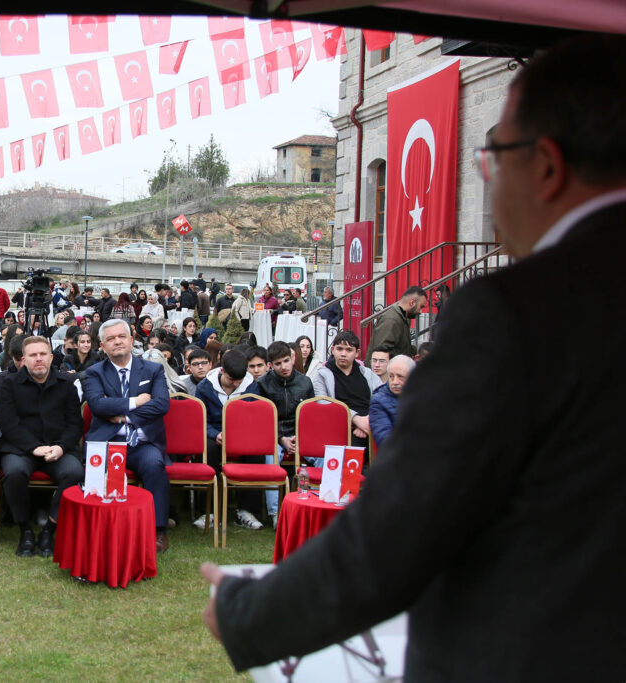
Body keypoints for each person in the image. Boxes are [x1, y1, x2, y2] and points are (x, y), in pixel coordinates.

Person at [203, 36, 626, 680]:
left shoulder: (514, 312)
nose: (492, 178)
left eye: (494, 157)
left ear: (545, 165)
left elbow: (404, 527)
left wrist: (247, 611)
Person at [83, 319, 171, 552]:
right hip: (107, 442)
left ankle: (158, 529)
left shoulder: (153, 370)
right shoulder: (94, 373)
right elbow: (97, 406)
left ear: (132, 340)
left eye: (121, 336)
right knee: (95, 472)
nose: (117, 342)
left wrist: (125, 417)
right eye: (110, 339)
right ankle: (99, 530)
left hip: (142, 443)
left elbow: (161, 404)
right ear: (102, 346)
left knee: (155, 465)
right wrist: (136, 401)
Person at [0, 336, 84, 557]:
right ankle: (25, 530)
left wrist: (62, 447)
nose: (38, 359)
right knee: (14, 472)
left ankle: (49, 530)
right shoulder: (8, 384)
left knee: (74, 472)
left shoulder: (66, 385)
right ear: (23, 359)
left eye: (43, 354)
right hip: (20, 448)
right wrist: (33, 448)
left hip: (58, 448)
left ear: (51, 357)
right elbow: (8, 424)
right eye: (33, 355)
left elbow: (75, 424)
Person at [194, 349, 262, 530]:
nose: (235, 384)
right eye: (232, 380)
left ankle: (247, 510)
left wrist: (240, 434)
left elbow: (255, 417)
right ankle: (209, 510)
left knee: (256, 452)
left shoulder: (251, 386)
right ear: (222, 371)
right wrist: (214, 434)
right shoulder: (205, 387)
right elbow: (200, 419)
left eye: (239, 381)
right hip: (214, 433)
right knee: (209, 450)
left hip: (242, 434)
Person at [256, 341, 314, 518]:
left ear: (292, 359)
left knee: (323, 454)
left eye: (286, 361)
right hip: (274, 435)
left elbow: (310, 414)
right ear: (270, 365)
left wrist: (301, 436)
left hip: (301, 433)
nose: (283, 367)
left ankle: (318, 504)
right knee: (270, 456)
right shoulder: (263, 384)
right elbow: (262, 420)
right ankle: (275, 513)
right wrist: (281, 438)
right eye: (278, 363)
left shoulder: (305, 382)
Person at [311, 330, 381, 449]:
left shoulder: (367, 374)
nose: (343, 354)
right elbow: (323, 404)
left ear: (357, 353)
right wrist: (356, 419)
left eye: (349, 350)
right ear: (333, 350)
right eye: (340, 349)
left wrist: (366, 423)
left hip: (369, 426)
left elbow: (380, 399)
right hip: (338, 430)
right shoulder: (321, 376)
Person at [366, 286, 428, 359]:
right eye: (421, 307)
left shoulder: (403, 317)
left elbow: (399, 347)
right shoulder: (391, 319)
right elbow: (381, 351)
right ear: (412, 303)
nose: (420, 311)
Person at [368, 354, 414, 449]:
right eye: (391, 376)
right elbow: (385, 441)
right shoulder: (378, 401)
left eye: (400, 376)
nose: (395, 382)